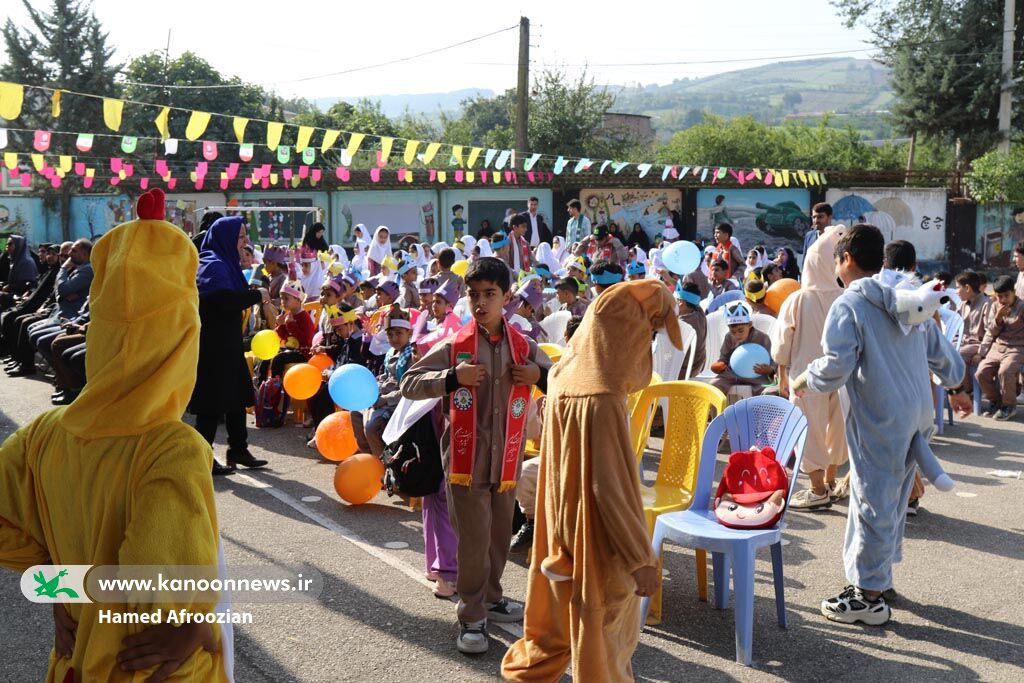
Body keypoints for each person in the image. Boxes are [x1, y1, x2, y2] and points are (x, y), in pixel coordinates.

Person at [0, 188, 230, 681]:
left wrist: (64, 588)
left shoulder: (43, 434)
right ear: (182, 337)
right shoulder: (172, 449)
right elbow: (158, 603)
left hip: (72, 664)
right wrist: (204, 631)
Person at [502, 279, 680, 682]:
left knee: (553, 631)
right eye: (647, 331)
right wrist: (640, 559)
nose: (648, 344)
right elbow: (611, 490)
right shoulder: (603, 399)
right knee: (604, 643)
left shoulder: (565, 378)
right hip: (597, 547)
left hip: (559, 534)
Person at [792, 223, 967, 626]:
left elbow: (836, 367)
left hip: (880, 420)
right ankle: (879, 577)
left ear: (846, 259)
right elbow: (943, 354)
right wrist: (958, 384)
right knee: (889, 500)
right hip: (916, 416)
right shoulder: (908, 298)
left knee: (871, 502)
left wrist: (805, 379)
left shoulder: (849, 304)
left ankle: (868, 597)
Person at [401, 256, 551, 655]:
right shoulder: (456, 346)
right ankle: (471, 616)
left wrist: (540, 376)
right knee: (473, 540)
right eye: (474, 294)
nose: (481, 302)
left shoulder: (524, 346)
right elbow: (409, 383)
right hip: (465, 463)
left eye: (491, 294)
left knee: (500, 535)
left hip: (507, 462)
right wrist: (452, 378)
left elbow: (560, 377)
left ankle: (493, 595)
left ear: (507, 298)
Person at [772, 226, 849, 510]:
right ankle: (830, 482)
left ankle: (817, 489)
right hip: (842, 375)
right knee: (836, 428)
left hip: (805, 377)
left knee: (808, 429)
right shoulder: (845, 297)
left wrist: (781, 373)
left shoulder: (798, 298)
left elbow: (783, 342)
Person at [190, 215, 268, 475]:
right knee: (211, 403)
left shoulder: (226, 262)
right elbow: (222, 301)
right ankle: (203, 456)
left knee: (236, 396)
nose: (245, 241)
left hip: (228, 341)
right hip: (214, 344)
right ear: (226, 238)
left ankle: (238, 448)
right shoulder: (212, 264)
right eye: (241, 236)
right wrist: (257, 295)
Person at [364, 306, 416, 457]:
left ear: (409, 333)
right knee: (356, 413)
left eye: (399, 333)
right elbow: (386, 376)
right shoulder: (390, 353)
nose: (394, 339)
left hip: (399, 403)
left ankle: (384, 464)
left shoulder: (411, 357)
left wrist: (384, 400)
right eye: (390, 334)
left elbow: (408, 389)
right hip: (383, 398)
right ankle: (368, 455)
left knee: (372, 426)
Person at [975, 274, 1024, 420]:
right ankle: (996, 401)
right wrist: (997, 318)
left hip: (1017, 347)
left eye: (1006, 296)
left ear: (1014, 291)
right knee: (981, 373)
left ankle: (1009, 406)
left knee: (1005, 371)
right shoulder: (995, 306)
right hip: (998, 347)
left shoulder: (1022, 307)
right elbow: (990, 331)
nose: (1003, 300)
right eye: (999, 296)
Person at [710, 300, 774, 395]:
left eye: (740, 330)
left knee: (768, 392)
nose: (737, 335)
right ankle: (719, 410)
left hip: (757, 376)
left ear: (749, 324)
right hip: (732, 375)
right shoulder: (729, 337)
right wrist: (720, 365)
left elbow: (774, 361)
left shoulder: (763, 338)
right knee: (714, 385)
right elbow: (724, 358)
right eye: (733, 331)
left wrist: (770, 370)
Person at [950, 270, 990, 402]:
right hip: (962, 342)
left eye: (957, 287)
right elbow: (956, 327)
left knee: (958, 354)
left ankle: (967, 391)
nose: (956, 291)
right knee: (942, 351)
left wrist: (981, 353)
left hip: (977, 344)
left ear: (967, 288)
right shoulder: (962, 304)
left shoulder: (986, 304)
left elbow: (990, 333)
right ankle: (954, 388)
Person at [265, 281, 316, 380]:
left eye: (286, 298)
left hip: (303, 352)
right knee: (267, 356)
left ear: (298, 299)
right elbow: (285, 338)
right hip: (291, 349)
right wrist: (280, 325)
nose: (282, 301)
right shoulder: (288, 315)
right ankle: (264, 384)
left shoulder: (304, 317)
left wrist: (291, 325)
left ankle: (276, 385)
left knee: (278, 359)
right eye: (282, 298)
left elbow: (305, 340)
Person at [675, 281, 707, 375]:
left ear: (681, 302)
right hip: (698, 367)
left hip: (682, 371)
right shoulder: (699, 312)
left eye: (675, 300)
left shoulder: (682, 324)